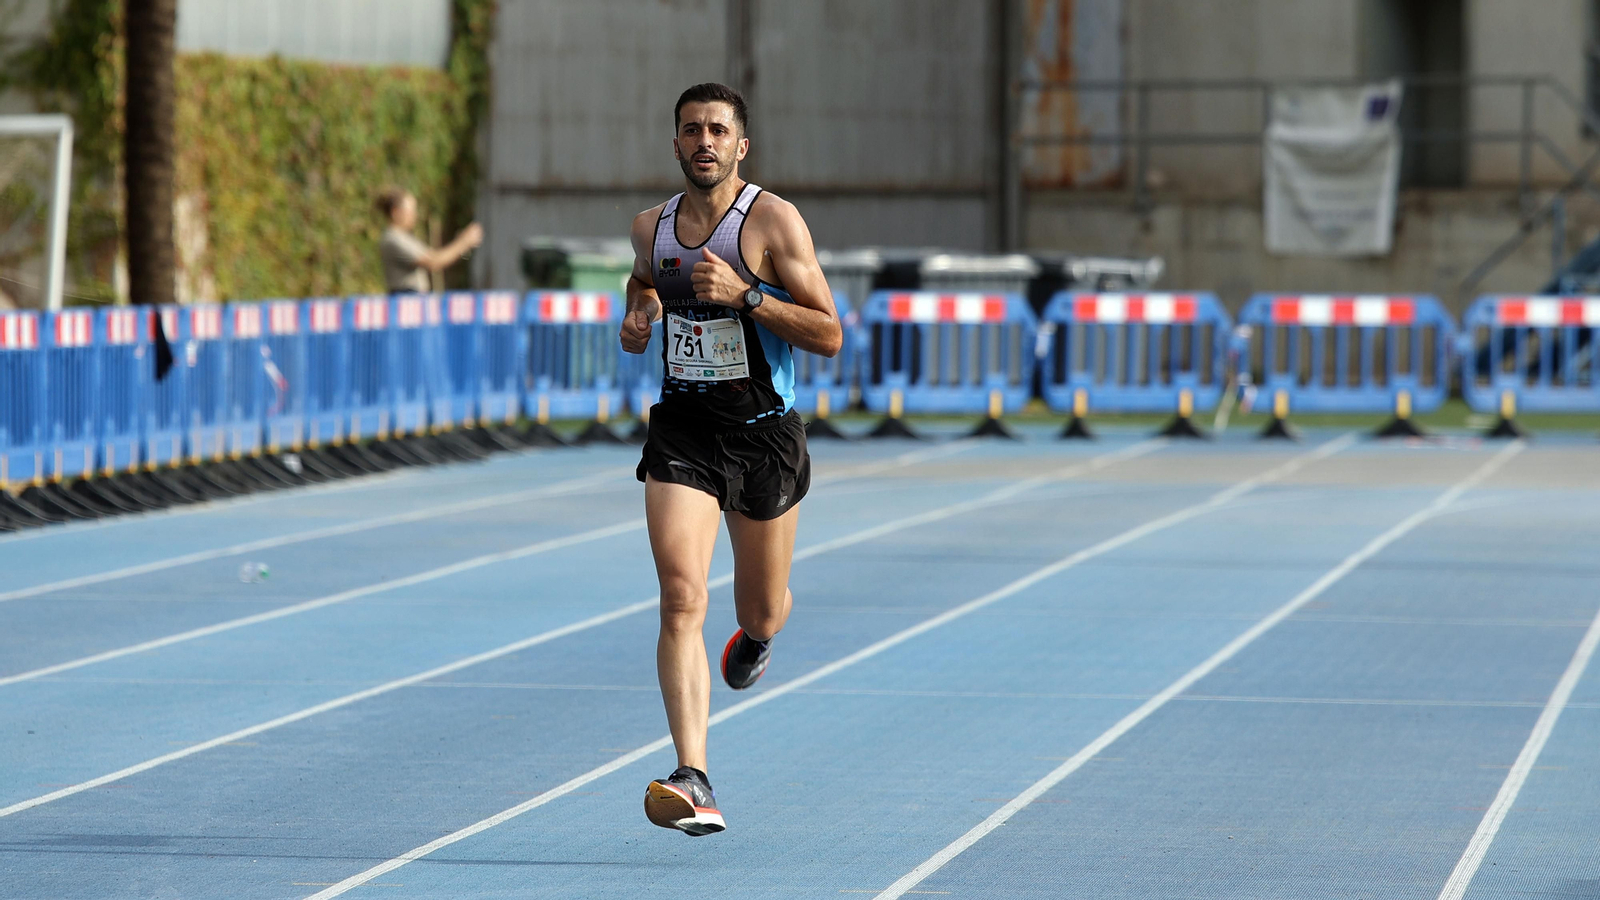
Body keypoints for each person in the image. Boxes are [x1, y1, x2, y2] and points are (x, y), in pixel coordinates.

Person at [619, 82, 842, 837]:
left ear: (740, 145)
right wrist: (639, 309)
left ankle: (757, 639)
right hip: (683, 432)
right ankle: (694, 774)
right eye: (691, 130)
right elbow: (647, 279)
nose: (704, 141)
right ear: (675, 144)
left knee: (761, 606)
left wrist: (748, 297)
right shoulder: (651, 227)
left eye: (718, 130)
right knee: (681, 596)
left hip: (763, 437)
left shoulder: (773, 221)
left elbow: (828, 332)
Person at [375, 187, 483, 293]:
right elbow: (433, 261)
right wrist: (463, 242)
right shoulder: (393, 239)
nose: (415, 216)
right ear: (396, 212)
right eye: (411, 211)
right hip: (406, 297)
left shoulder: (404, 237)